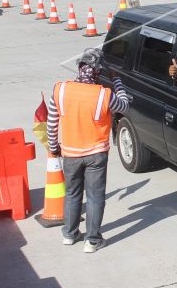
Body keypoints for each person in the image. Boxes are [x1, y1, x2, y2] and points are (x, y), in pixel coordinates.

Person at [46, 48, 130, 253]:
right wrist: (117, 81)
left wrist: (54, 147)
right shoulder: (104, 94)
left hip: (70, 154)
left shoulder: (60, 89)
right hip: (96, 154)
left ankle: (70, 234)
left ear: (79, 66)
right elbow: (125, 106)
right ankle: (92, 240)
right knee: (94, 197)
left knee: (72, 194)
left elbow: (52, 122)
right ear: (99, 72)